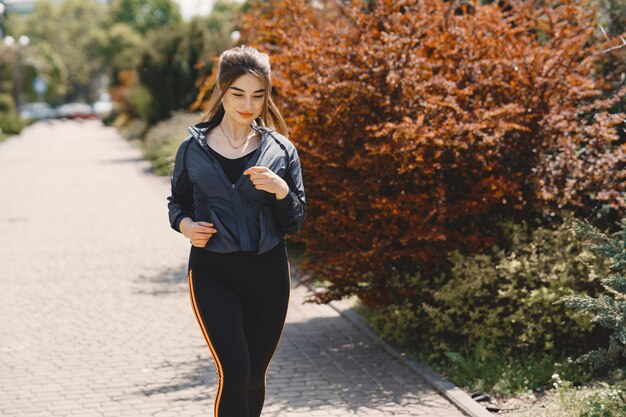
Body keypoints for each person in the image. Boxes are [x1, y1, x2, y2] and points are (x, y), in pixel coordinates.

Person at [167, 45, 307, 417]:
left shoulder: (281, 151)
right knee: (235, 371)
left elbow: (294, 222)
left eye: (258, 95)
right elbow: (176, 203)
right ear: (222, 91)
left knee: (254, 376)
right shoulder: (191, 150)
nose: (248, 104)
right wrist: (185, 226)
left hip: (269, 273)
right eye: (238, 93)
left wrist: (281, 191)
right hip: (213, 272)